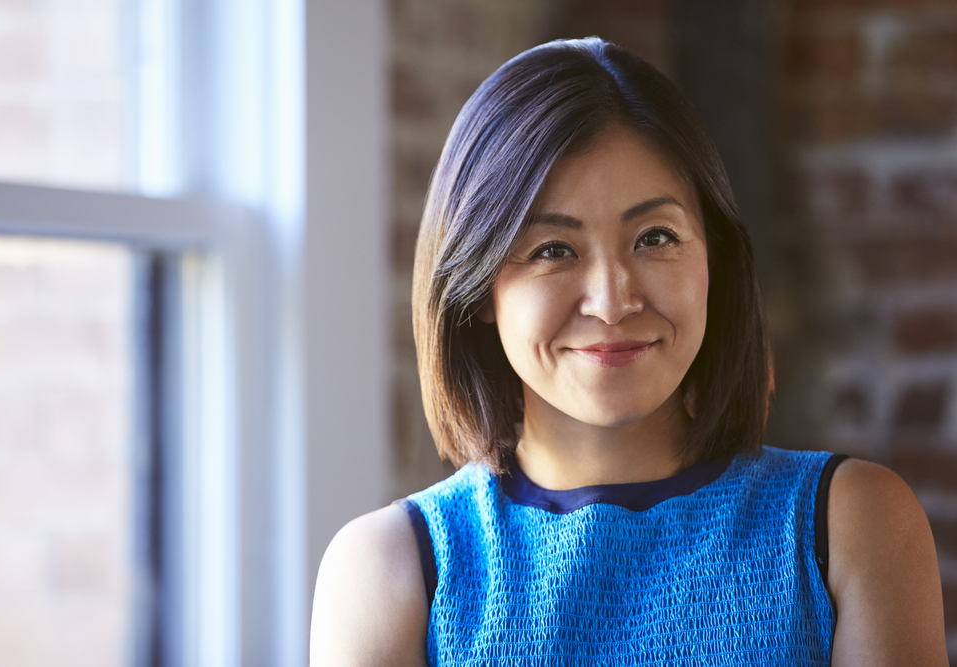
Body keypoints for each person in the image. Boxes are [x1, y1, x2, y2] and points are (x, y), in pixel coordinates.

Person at [310, 37, 947, 666]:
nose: (612, 301)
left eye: (655, 237)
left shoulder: (851, 528)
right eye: (552, 250)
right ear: (479, 289)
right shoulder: (390, 572)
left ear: (712, 262)